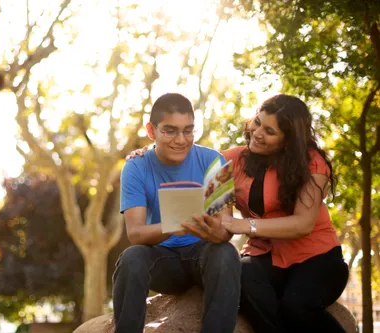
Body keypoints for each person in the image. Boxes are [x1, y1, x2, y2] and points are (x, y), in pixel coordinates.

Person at [128, 94, 349, 333]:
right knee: (240, 273)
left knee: (296, 307)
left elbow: (303, 224)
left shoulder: (312, 162)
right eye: (257, 122)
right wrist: (150, 152)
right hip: (263, 258)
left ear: (288, 140)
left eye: (270, 131)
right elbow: (191, 158)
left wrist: (241, 225)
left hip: (317, 258)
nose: (257, 132)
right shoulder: (231, 160)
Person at [113, 92, 241, 333]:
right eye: (170, 131)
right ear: (151, 131)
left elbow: (226, 228)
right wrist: (179, 224)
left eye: (188, 130)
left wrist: (217, 231)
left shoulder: (214, 161)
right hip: (164, 261)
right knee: (131, 258)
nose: (181, 140)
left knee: (226, 253)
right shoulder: (135, 167)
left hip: (204, 256)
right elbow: (136, 234)